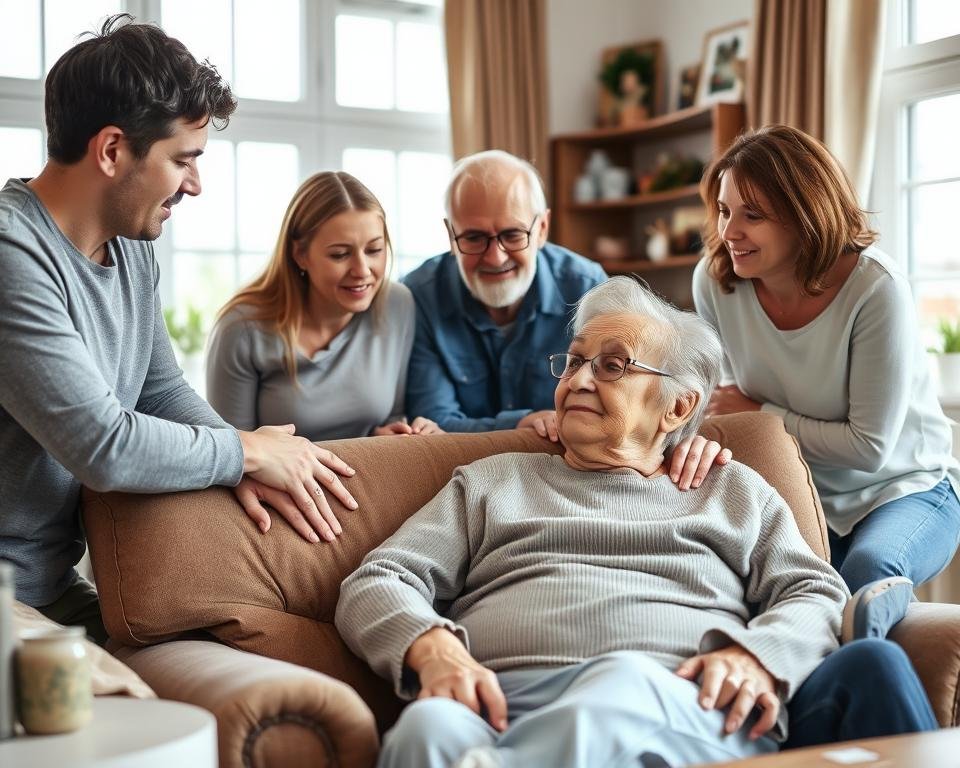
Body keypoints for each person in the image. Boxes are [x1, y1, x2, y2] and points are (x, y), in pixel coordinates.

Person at [336, 276, 856, 767]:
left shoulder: (731, 489)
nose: (579, 379)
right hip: (501, 701)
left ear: (678, 408)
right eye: (575, 362)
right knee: (426, 728)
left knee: (617, 686)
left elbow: (814, 590)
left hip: (672, 698)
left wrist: (758, 656)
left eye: (612, 366)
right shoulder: (490, 482)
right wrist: (432, 647)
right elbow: (379, 579)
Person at [0, 15, 358, 645]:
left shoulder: (131, 246)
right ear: (112, 151)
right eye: (182, 160)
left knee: (215, 667)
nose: (195, 183)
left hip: (49, 589)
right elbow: (101, 445)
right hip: (9, 596)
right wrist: (244, 451)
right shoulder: (12, 253)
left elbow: (158, 391)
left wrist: (244, 459)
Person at [693, 125, 960, 641]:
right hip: (798, 488)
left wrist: (762, 413)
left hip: (905, 487)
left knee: (866, 573)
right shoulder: (715, 281)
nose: (730, 231)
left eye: (753, 215)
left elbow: (869, 448)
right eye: (725, 211)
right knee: (751, 591)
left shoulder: (875, 289)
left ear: (803, 215)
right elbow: (725, 412)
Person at [404, 149, 727, 489]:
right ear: (450, 235)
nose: (495, 256)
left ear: (542, 227)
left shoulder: (587, 287)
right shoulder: (418, 296)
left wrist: (684, 439)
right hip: (473, 481)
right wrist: (523, 422)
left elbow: (640, 401)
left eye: (513, 235)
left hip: (573, 478)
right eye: (473, 237)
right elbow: (433, 424)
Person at [206, 171, 441, 441]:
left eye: (374, 250)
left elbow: (391, 415)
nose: (362, 270)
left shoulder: (397, 304)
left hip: (364, 474)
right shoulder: (241, 328)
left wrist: (395, 432)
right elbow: (233, 450)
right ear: (300, 255)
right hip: (276, 481)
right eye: (340, 255)